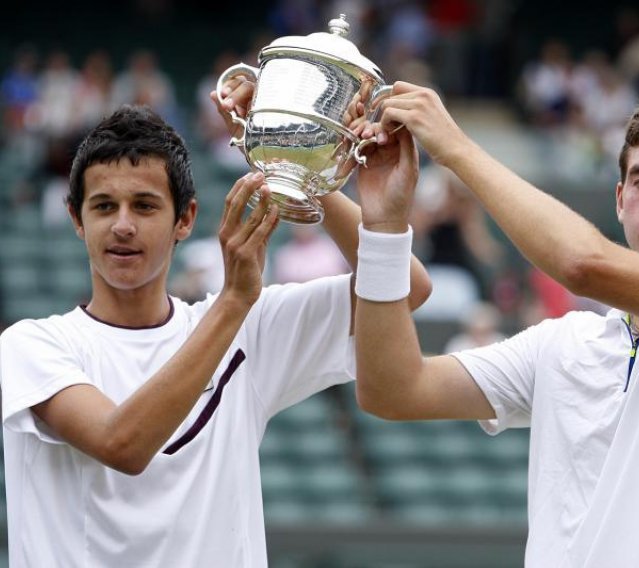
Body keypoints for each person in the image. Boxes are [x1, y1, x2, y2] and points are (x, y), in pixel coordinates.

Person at [352, 82, 639, 567]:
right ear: (620, 198)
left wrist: (454, 148)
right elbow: (392, 389)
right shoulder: (563, 341)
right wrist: (382, 227)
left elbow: (582, 264)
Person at [0, 88, 431, 565]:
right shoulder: (30, 345)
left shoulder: (250, 327)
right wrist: (233, 301)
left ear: (185, 219)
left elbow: (405, 287)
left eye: (144, 206)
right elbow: (121, 444)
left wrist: (303, 177)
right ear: (76, 220)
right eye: (103, 206)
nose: (122, 225)